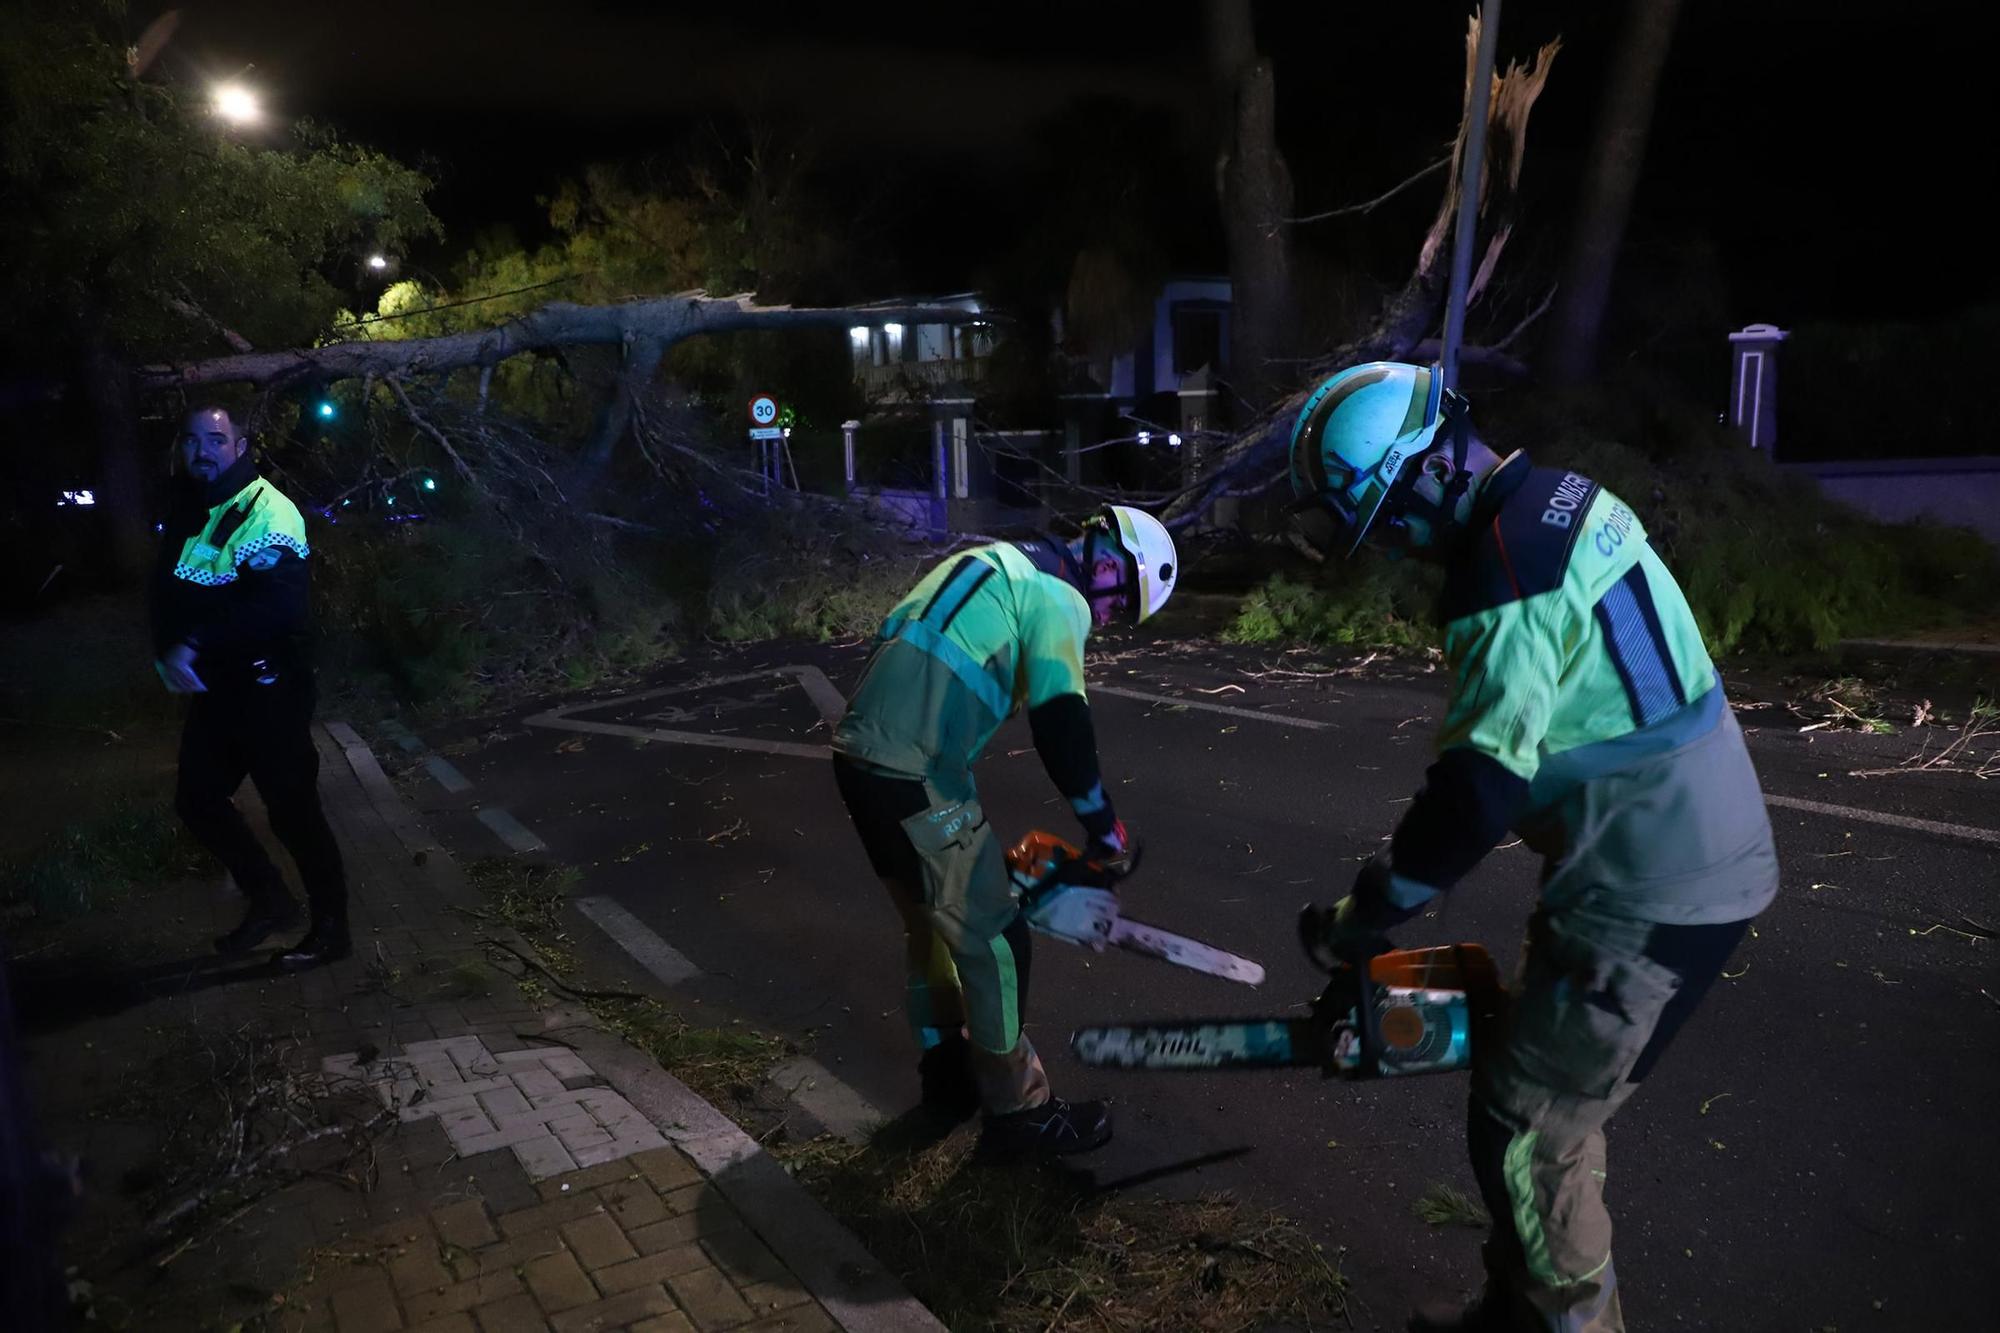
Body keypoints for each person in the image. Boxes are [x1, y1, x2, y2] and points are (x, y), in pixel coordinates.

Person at [1287, 363, 1778, 1332]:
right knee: (1522, 1079)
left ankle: (1561, 1319)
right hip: (1683, 846)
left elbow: (1475, 789)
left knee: (1530, 1121)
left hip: (1650, 883)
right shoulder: (1563, 498)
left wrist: (1369, 912)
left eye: (1387, 523)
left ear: (1423, 477)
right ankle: (1517, 1305)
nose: (1396, 549)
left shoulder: (1499, 583)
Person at [831, 505, 1178, 1158]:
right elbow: (1062, 724)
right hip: (917, 769)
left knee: (930, 927)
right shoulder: (1058, 596)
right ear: (1108, 561)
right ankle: (1020, 1114)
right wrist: (1105, 828)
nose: (1106, 620)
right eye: (1120, 603)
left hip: (860, 759)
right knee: (996, 939)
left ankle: (946, 1077)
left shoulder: (992, 563)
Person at [152, 406, 350, 971]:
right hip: (219, 692)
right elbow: (177, 591)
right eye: (190, 441)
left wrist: (192, 643)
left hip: (269, 688)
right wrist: (169, 651)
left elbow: (277, 607)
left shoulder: (268, 511)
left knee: (293, 812)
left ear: (240, 447)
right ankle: (270, 899)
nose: (201, 452)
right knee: (197, 799)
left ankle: (333, 933)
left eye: (215, 440)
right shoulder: (193, 506)